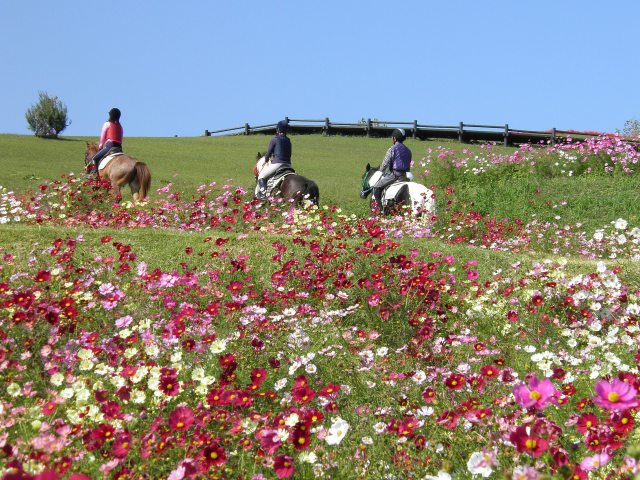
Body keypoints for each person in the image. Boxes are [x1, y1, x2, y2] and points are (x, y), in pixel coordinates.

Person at [372, 128, 412, 208]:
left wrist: (380, 171)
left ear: (394, 138)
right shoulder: (408, 150)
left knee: (376, 187)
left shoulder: (392, 149)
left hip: (395, 176)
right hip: (406, 176)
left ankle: (379, 209)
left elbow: (384, 165)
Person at [256, 120, 292, 200]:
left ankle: (263, 195)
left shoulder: (274, 139)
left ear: (278, 129)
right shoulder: (288, 140)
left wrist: (265, 160)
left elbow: (268, 153)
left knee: (261, 177)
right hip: (288, 165)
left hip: (277, 164)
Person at [92, 108, 123, 172]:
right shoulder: (120, 127)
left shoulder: (107, 124)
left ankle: (95, 174)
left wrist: (100, 147)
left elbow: (102, 137)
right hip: (119, 148)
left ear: (110, 115)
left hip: (110, 146)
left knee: (95, 158)